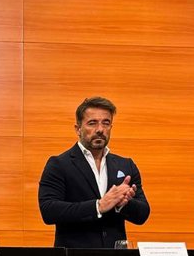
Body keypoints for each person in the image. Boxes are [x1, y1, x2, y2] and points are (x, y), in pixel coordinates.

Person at [38, 96, 149, 248]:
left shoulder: (125, 165)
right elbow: (49, 211)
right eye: (92, 123)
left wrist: (122, 204)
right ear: (78, 129)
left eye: (106, 123)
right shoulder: (59, 164)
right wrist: (98, 206)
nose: (100, 129)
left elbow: (143, 214)